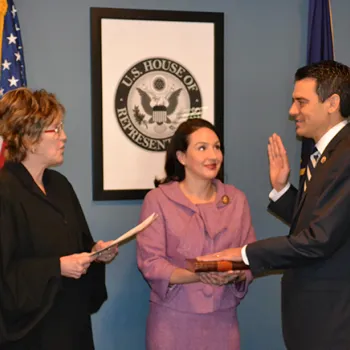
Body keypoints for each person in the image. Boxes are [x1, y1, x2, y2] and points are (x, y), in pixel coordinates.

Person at [198, 60, 350, 350]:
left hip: (334, 323)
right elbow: (325, 222)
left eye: (301, 102)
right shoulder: (330, 153)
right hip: (315, 320)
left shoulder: (345, 155)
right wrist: (282, 190)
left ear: (332, 103)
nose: (293, 112)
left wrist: (243, 254)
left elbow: (319, 240)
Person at [0, 88, 118, 350]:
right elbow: (5, 275)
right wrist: (57, 267)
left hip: (72, 326)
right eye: (55, 129)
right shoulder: (5, 191)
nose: (64, 136)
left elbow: (79, 247)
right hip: (31, 335)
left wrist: (96, 254)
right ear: (29, 138)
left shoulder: (60, 185)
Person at [137, 118, 256, 350]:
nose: (213, 155)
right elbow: (151, 264)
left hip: (223, 322)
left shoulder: (236, 200)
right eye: (202, 148)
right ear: (181, 157)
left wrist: (235, 275)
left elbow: (250, 257)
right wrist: (198, 275)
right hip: (172, 324)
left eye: (217, 147)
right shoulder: (158, 200)